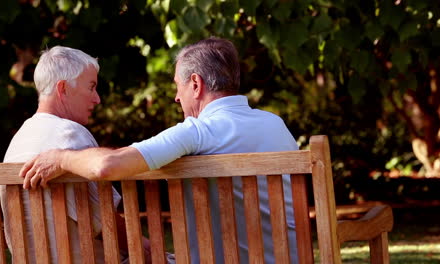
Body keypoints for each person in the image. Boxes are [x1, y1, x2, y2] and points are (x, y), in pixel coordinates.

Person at [19, 37, 299, 263]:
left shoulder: (198, 131)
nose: (177, 97)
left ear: (196, 84)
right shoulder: (276, 125)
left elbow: (107, 166)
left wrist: (60, 157)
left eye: (178, 87)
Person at [0, 46, 129, 263]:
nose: (97, 99)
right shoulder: (70, 133)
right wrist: (148, 251)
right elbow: (107, 223)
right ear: (63, 88)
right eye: (91, 87)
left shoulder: (17, 141)